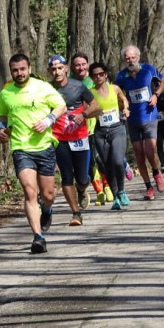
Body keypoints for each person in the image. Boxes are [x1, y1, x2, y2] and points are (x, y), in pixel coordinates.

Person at [0, 53, 66, 253]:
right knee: (29, 191)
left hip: (44, 146)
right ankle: (38, 237)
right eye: (15, 70)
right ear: (11, 71)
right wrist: (1, 130)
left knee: (48, 194)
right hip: (20, 147)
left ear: (29, 68)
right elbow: (1, 115)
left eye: (22, 69)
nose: (19, 73)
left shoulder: (42, 86)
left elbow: (61, 105)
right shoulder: (6, 92)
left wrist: (48, 120)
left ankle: (47, 209)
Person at [47, 54, 99, 225]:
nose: (57, 72)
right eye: (53, 69)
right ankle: (76, 213)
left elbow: (96, 106)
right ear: (49, 71)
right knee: (66, 176)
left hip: (79, 137)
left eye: (60, 68)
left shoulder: (78, 86)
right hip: (59, 138)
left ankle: (82, 189)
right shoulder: (46, 89)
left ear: (66, 68)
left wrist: (83, 115)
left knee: (83, 178)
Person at [114, 45, 164, 201]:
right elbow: (116, 92)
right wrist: (123, 106)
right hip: (133, 118)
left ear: (138, 57)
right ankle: (148, 187)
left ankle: (156, 172)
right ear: (124, 60)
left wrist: (156, 94)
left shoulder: (148, 69)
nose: (130, 60)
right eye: (127, 58)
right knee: (139, 154)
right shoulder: (121, 76)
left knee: (150, 150)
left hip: (149, 115)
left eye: (133, 57)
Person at [70, 52, 114, 206]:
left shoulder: (94, 80)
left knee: (101, 159)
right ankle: (99, 190)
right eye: (77, 65)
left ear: (87, 65)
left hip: (97, 126)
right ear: (73, 67)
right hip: (79, 130)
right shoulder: (70, 83)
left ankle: (108, 186)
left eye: (83, 64)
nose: (80, 67)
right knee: (88, 165)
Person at [87, 62, 131, 211]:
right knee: (107, 166)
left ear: (105, 74)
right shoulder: (90, 92)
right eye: (94, 75)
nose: (98, 77)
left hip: (117, 129)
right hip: (100, 132)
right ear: (92, 77)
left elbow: (124, 99)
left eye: (101, 74)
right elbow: (85, 112)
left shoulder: (115, 88)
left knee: (118, 161)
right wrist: (93, 113)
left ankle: (121, 190)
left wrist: (125, 109)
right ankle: (116, 198)